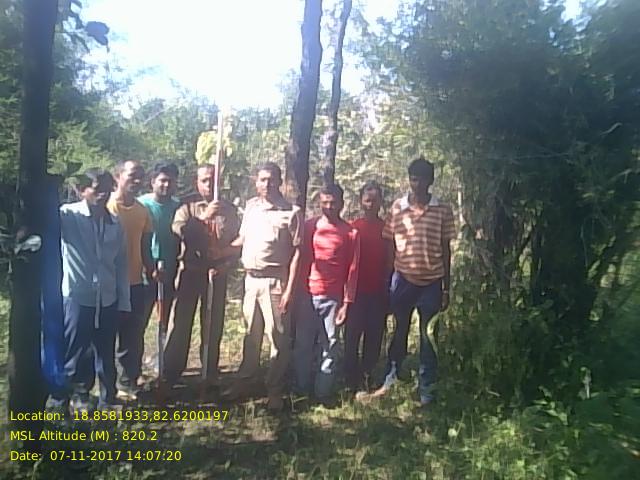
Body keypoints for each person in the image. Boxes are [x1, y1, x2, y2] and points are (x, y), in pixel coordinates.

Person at [367, 157, 455, 406]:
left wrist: (446, 287)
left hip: (432, 282)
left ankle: (427, 389)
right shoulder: (398, 207)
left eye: (423, 179)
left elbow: (446, 249)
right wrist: (389, 280)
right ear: (409, 180)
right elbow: (390, 246)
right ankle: (392, 378)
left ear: (431, 181)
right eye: (414, 179)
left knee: (429, 336)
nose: (418, 185)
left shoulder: (442, 210)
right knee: (399, 330)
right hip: (403, 279)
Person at [221, 162, 302, 411]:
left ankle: (274, 390)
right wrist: (219, 251)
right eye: (262, 179)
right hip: (251, 281)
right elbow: (242, 239)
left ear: (280, 182)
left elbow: (298, 253)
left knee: (278, 337)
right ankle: (245, 382)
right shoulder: (251, 207)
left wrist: (289, 289)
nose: (266, 184)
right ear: (256, 182)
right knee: (251, 334)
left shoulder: (291, 212)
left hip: (275, 282)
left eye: (271, 179)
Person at [51, 168, 130, 411]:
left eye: (107, 188)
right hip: (78, 297)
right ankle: (62, 402)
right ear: (82, 190)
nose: (103, 194)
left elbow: (121, 264)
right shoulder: (68, 216)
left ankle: (108, 401)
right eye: (97, 189)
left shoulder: (115, 223)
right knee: (73, 352)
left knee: (106, 354)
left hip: (107, 298)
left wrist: (123, 301)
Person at [162, 164, 240, 387]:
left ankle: (209, 370)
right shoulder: (187, 207)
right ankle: (171, 372)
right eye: (205, 180)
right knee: (181, 322)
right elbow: (180, 231)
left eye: (213, 180)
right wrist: (204, 217)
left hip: (217, 274)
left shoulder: (229, 209)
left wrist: (227, 264)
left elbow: (238, 240)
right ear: (197, 182)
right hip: (191, 273)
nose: (209, 185)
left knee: (213, 325)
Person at [292, 183, 360, 402]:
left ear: (342, 203)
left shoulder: (350, 232)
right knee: (303, 344)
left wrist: (347, 303)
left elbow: (353, 270)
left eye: (333, 203)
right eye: (325, 203)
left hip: (333, 298)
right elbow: (299, 259)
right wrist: (294, 292)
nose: (329, 207)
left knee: (330, 345)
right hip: (307, 295)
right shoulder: (310, 226)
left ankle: (323, 393)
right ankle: (301, 390)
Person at [107, 160, 156, 400]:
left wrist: (152, 269)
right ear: (118, 176)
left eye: (140, 176)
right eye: (132, 175)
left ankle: (128, 383)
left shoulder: (142, 211)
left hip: (135, 284)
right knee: (106, 337)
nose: (136, 180)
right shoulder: (107, 207)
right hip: (108, 284)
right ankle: (105, 386)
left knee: (133, 336)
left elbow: (145, 247)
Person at [344, 181, 390, 392]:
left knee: (374, 336)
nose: (371, 204)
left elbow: (391, 258)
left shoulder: (386, 229)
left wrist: (388, 286)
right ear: (361, 201)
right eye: (367, 200)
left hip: (378, 292)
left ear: (381, 202)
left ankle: (368, 376)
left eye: (375, 200)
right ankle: (350, 380)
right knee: (352, 336)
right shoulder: (353, 228)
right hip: (355, 293)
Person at [138, 162, 181, 372]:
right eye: (162, 180)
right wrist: (149, 267)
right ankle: (133, 366)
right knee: (139, 320)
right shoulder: (141, 205)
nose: (166, 185)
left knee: (165, 317)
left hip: (171, 268)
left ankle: (160, 359)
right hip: (145, 269)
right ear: (153, 182)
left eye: (170, 181)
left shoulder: (178, 206)